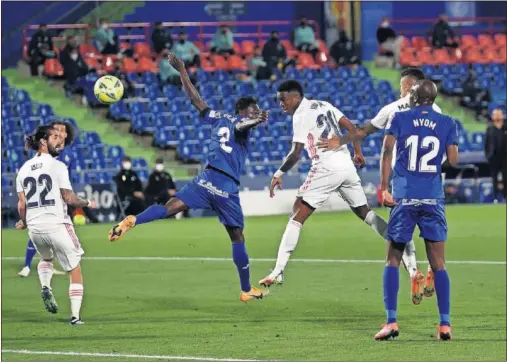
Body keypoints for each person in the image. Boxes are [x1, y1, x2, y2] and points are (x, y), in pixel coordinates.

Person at [108, 53, 269, 303]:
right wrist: (254, 120)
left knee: (168, 208)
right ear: (242, 111)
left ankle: (133, 220)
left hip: (205, 180)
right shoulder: (239, 122)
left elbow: (195, 99)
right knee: (237, 236)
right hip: (226, 187)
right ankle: (246, 289)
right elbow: (241, 126)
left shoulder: (217, 117)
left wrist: (182, 70)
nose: (256, 113)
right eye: (253, 110)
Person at [259, 80, 401, 294]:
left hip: (326, 167)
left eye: (283, 99)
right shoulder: (324, 105)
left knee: (297, 216)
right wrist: (358, 152)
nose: (281, 104)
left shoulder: (300, 114)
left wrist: (278, 173)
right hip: (346, 166)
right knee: (365, 213)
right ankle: (405, 251)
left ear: (296, 97)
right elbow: (353, 129)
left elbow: (296, 153)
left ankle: (278, 270)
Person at [316, 67, 442, 302]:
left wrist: (341, 141)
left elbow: (366, 131)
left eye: (403, 87)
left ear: (410, 86)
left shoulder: (393, 109)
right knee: (433, 232)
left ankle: (413, 270)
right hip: (430, 180)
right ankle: (434, 268)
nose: (401, 91)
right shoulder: (435, 109)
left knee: (401, 232)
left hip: (402, 180)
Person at [374, 79, 458, 341]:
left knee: (393, 259)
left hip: (405, 197)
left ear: (414, 96)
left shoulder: (399, 118)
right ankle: (444, 325)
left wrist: (384, 188)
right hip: (433, 197)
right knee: (439, 264)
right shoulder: (447, 123)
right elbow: (453, 160)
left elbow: (386, 151)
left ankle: (391, 322)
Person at [16, 125, 97, 324]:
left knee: (45, 257)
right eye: (54, 137)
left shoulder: (23, 169)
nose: (58, 141)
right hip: (57, 225)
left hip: (35, 228)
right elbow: (68, 197)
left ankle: (46, 286)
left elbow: (21, 203)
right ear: (43, 142)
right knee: (74, 268)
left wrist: (24, 221)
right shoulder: (57, 166)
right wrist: (87, 202)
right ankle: (75, 316)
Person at [18, 120, 77, 278]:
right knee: (41, 228)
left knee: (56, 232)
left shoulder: (68, 155)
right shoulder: (50, 152)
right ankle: (27, 265)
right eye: (55, 130)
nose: (59, 133)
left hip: (62, 198)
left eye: (62, 131)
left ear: (66, 134)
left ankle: (50, 264)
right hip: (47, 197)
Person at [485, 108, 507, 201]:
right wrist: (487, 155)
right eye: (495, 114)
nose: (497, 116)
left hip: (505, 157)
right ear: (493, 116)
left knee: (505, 177)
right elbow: (486, 143)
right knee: (494, 177)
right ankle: (495, 197)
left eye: (499, 114)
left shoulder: (505, 127)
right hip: (493, 157)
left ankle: (505, 197)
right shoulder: (489, 128)